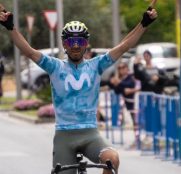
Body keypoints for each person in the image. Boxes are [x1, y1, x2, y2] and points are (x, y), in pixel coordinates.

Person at [0, 3, 157, 174]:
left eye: (80, 41)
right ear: (64, 44)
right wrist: (11, 27)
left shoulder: (96, 65)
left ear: (86, 43)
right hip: (64, 136)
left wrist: (144, 24)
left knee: (112, 159)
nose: (75, 45)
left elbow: (124, 46)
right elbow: (29, 51)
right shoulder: (55, 66)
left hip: (90, 134)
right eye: (71, 41)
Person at [108, 62, 140, 147]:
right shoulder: (121, 79)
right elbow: (118, 91)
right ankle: (137, 140)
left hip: (136, 102)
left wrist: (119, 82)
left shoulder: (131, 77)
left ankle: (139, 141)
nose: (121, 70)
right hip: (129, 104)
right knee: (134, 122)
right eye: (119, 69)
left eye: (123, 68)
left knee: (137, 122)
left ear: (127, 68)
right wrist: (114, 83)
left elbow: (130, 85)